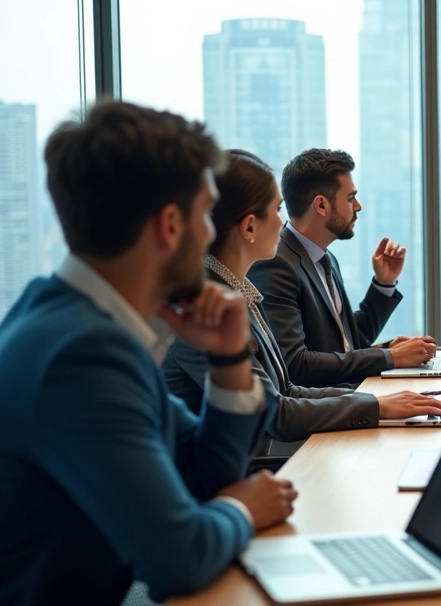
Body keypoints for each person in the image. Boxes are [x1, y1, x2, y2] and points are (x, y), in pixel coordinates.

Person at [0, 101, 296, 604]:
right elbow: (178, 557)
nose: (211, 233)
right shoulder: (81, 356)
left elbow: (204, 473)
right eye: (205, 213)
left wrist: (228, 362)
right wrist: (244, 509)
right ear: (170, 225)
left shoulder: (74, 319)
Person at [163, 150, 441, 456]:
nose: (283, 222)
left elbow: (286, 389)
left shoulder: (236, 290)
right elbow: (277, 412)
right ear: (249, 227)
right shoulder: (205, 308)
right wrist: (376, 402)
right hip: (234, 474)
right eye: (276, 211)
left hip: (255, 460)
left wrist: (378, 400)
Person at [249, 148, 435, 388]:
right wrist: (389, 358)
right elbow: (295, 364)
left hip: (349, 394)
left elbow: (346, 342)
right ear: (322, 205)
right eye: (350, 198)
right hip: (326, 409)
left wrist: (384, 284)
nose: (358, 206)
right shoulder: (276, 264)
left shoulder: (325, 257)